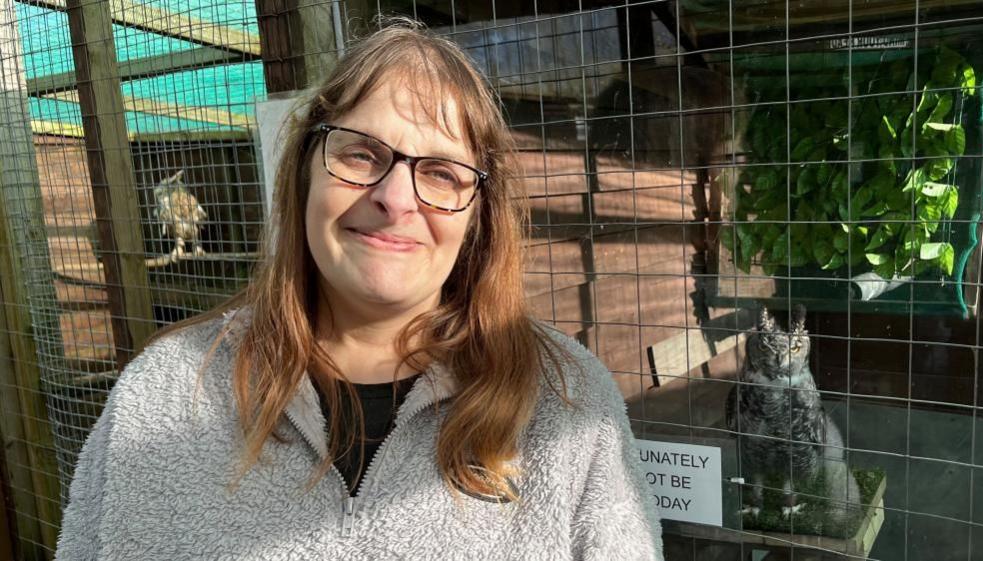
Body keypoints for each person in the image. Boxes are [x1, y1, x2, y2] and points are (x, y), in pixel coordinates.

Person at [54, 19, 663, 561]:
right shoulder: (162, 394)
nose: (394, 199)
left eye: (442, 172)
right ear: (304, 169)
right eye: (363, 154)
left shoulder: (567, 402)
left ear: (479, 214)